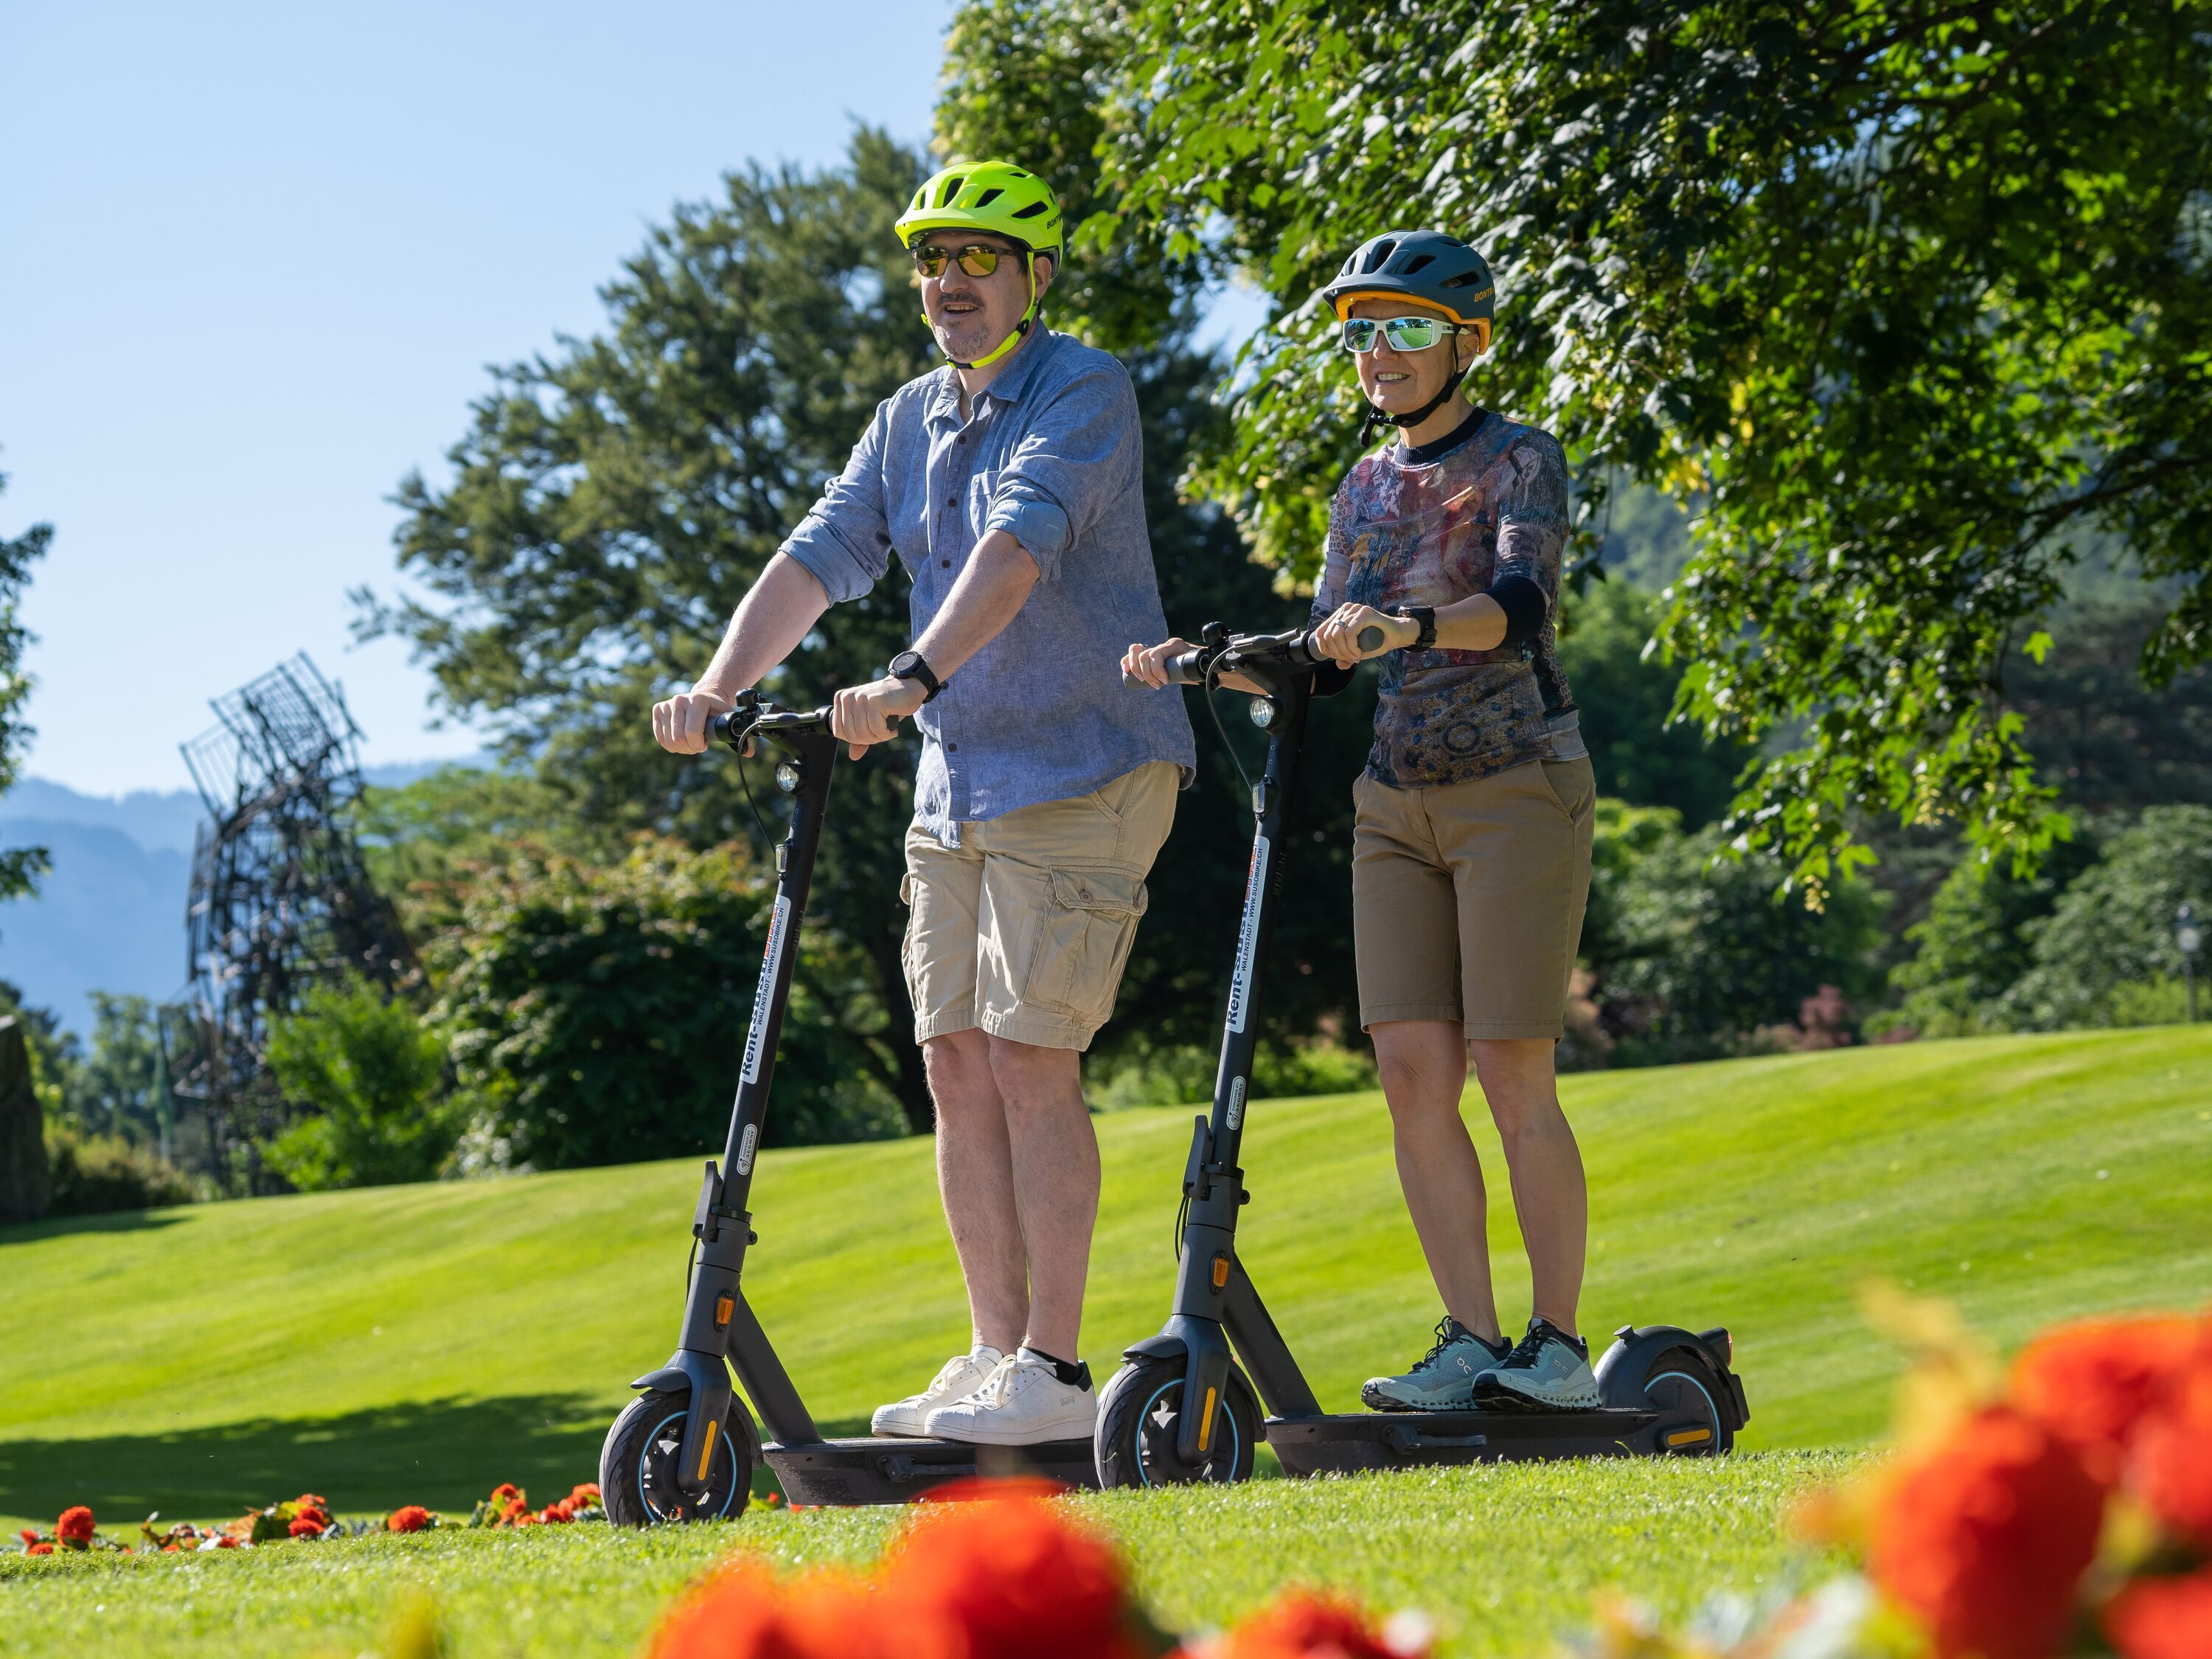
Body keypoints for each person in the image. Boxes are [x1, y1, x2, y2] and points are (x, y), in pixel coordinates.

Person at [653, 161, 1194, 1444]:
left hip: (1087, 766)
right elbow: (823, 551)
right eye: (932, 259)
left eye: (981, 257)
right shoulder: (909, 416)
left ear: (1035, 276)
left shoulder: (1082, 390)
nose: (949, 280)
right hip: (958, 783)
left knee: (1028, 1056)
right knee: (955, 1066)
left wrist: (910, 674)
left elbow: (1017, 543)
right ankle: (994, 1350)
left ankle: (1055, 1376)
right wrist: (720, 687)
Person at [1123, 229, 1601, 1412]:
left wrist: (1414, 629)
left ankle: (1558, 1347)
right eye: (1362, 331)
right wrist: (1204, 662)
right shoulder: (1364, 488)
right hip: (1394, 800)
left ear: (1465, 342)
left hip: (1519, 784)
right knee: (1408, 1069)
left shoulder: (1518, 461)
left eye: (1405, 329)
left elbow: (1521, 608)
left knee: (1510, 1068)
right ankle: (1472, 1343)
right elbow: (1328, 658)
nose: (1378, 353)